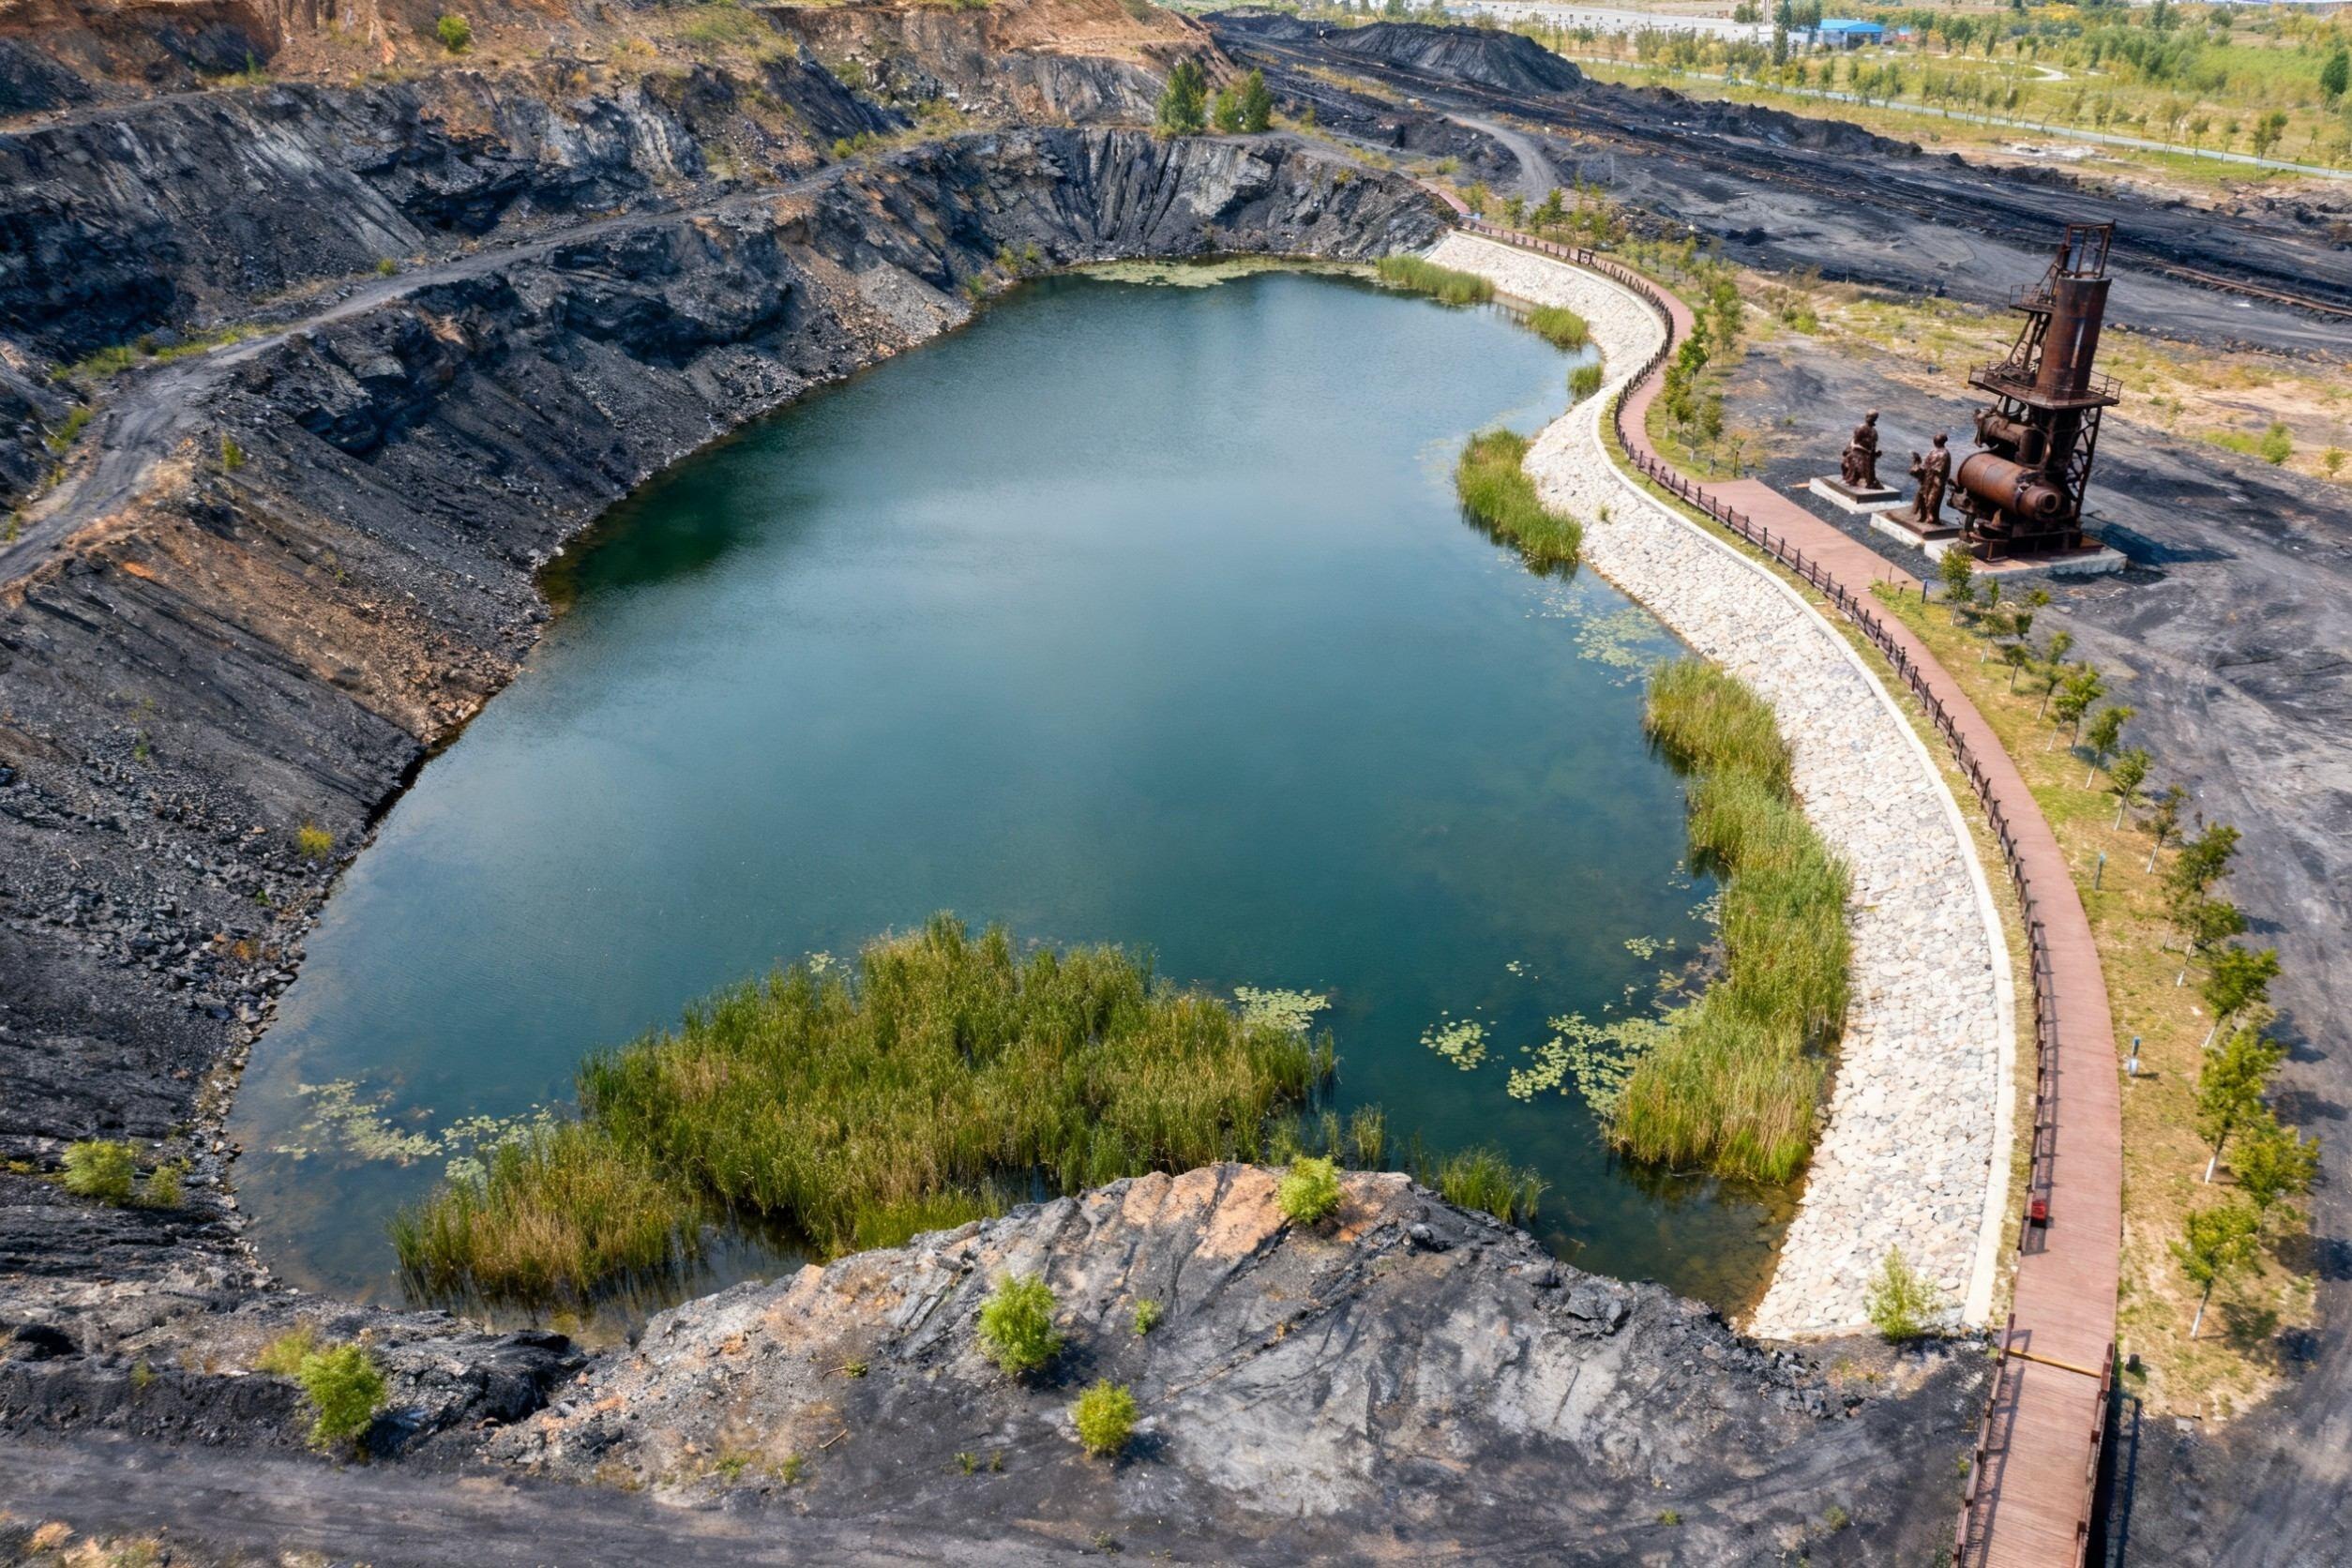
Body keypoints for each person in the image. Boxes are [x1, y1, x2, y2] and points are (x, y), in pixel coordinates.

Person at [1907, 432, 1952, 524]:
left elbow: (1940, 469)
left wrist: (1927, 468)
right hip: (1928, 478)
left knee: (1933, 498)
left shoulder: (1945, 453)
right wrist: (1918, 461)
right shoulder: (1933, 452)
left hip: (1937, 480)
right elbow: (1926, 463)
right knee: (1924, 495)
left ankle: (1931, 516)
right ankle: (1924, 515)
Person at [1839, 410, 1883, 490]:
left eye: (1871, 417)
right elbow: (1855, 442)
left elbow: (1871, 444)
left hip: (1863, 454)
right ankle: (1850, 479)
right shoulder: (1864, 429)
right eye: (1868, 416)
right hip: (1860, 453)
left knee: (1853, 463)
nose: (1868, 418)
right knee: (1847, 462)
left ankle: (1852, 479)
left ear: (1875, 419)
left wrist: (1875, 451)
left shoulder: (1870, 431)